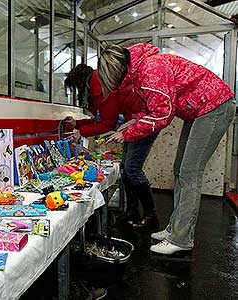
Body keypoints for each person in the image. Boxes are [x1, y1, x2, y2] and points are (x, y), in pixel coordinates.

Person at [97, 43, 236, 256]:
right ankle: (174, 230)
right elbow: (152, 108)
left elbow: (162, 115)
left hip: (214, 106)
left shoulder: (150, 69)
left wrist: (125, 134)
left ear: (117, 71)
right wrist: (132, 123)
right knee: (180, 169)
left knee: (189, 173)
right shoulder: (141, 69)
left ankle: (181, 239)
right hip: (199, 109)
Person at [65, 63, 159, 229]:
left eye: (76, 88)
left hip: (142, 120)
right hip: (135, 119)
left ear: (81, 84)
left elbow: (108, 123)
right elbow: (101, 118)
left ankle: (150, 215)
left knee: (132, 168)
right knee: (126, 167)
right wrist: (78, 124)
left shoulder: (100, 87)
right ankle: (132, 211)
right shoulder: (98, 84)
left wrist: (81, 132)